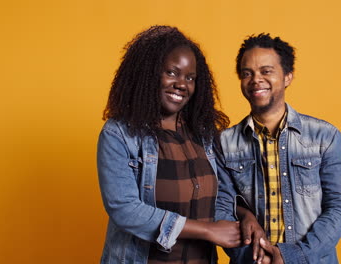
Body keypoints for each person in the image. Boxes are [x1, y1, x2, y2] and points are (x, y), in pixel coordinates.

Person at [97, 25, 241, 264]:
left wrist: (244, 218)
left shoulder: (203, 135)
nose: (181, 84)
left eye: (190, 77)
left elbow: (220, 197)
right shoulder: (119, 134)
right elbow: (124, 208)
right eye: (172, 73)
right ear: (149, 73)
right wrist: (207, 230)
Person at [215, 33, 341, 264]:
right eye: (247, 73)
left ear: (288, 76)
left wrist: (293, 256)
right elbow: (220, 208)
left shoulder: (325, 136)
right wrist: (257, 258)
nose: (255, 80)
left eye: (266, 71)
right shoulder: (223, 143)